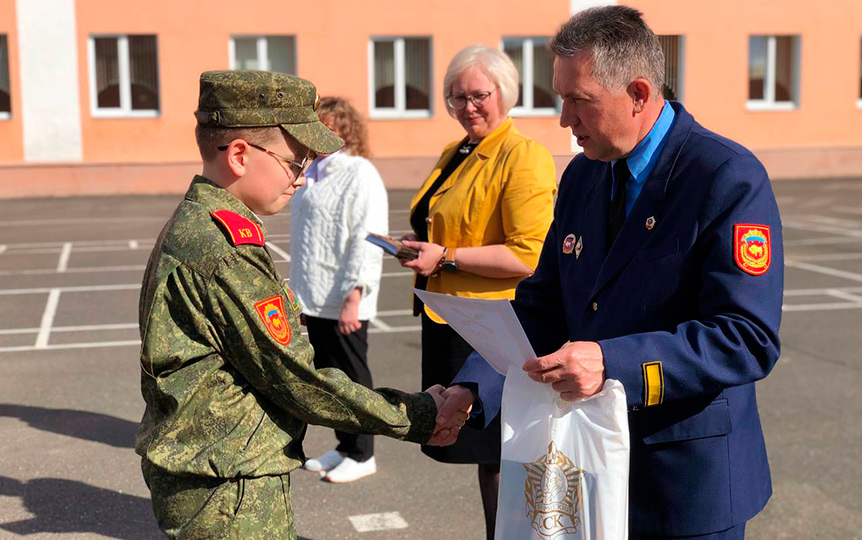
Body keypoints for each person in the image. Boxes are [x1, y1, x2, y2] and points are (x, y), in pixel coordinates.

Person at [438, 7, 784, 540]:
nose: (564, 119)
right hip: (588, 467)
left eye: (579, 101)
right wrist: (473, 389)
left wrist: (611, 361)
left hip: (684, 483)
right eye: (561, 99)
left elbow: (746, 338)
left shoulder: (723, 177)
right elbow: (542, 305)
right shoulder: (583, 175)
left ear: (639, 94)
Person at [136, 70, 465, 540]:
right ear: (240, 156)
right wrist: (418, 415)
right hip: (229, 486)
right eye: (295, 162)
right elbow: (296, 378)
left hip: (215, 471)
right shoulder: (223, 250)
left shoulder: (198, 225)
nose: (302, 178)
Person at [399, 45, 557, 540]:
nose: (468, 107)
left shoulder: (522, 154)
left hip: (490, 324)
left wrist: (444, 256)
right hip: (450, 316)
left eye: (478, 95)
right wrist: (420, 249)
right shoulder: (457, 151)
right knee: (481, 452)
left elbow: (528, 255)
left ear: (504, 93)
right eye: (456, 97)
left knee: (497, 451)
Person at [289, 97, 388, 483]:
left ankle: (364, 454)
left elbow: (367, 238)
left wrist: (355, 295)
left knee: (352, 378)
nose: (317, 134)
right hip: (314, 295)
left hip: (345, 297)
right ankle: (344, 446)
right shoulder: (314, 172)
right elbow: (307, 239)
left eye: (326, 126)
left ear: (344, 130)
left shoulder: (358, 173)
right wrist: (298, 293)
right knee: (328, 377)